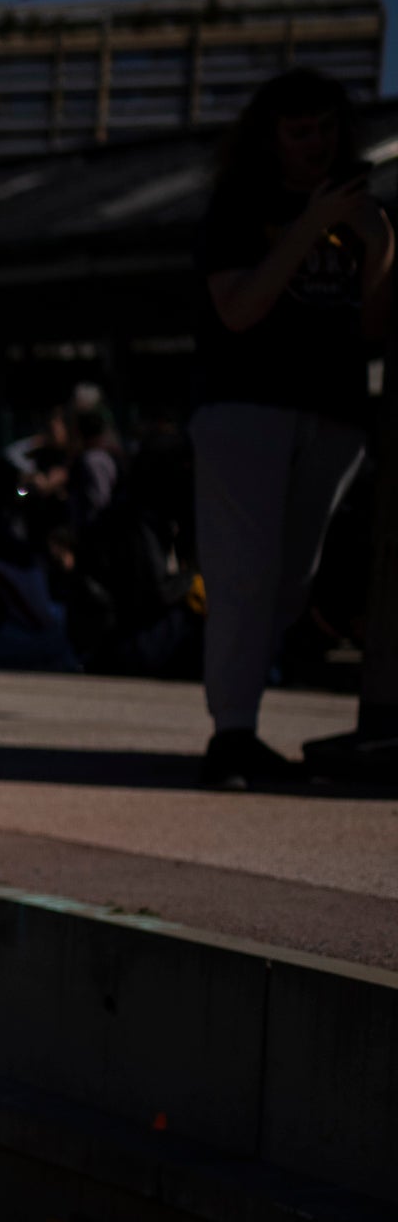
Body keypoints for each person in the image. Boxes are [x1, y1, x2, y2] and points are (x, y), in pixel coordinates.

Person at [191, 67, 393, 788]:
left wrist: (378, 250)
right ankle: (233, 734)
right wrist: (311, 223)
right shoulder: (241, 204)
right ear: (270, 138)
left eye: (325, 129)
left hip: (332, 410)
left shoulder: (363, 210)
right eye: (299, 131)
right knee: (244, 574)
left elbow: (373, 328)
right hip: (246, 404)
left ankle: (240, 721)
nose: (315, 143)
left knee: (289, 580)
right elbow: (238, 309)